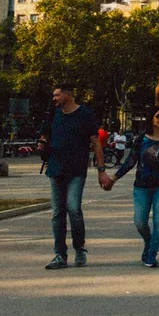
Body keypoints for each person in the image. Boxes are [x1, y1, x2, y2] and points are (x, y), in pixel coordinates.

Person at [36, 85, 107, 269]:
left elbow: (96, 143)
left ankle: (79, 247)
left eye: (57, 95)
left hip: (76, 170)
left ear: (68, 95)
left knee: (73, 209)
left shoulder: (85, 114)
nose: (54, 99)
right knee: (57, 213)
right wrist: (42, 143)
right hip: (55, 169)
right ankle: (60, 254)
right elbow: (44, 134)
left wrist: (101, 170)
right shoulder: (53, 114)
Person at [106, 105, 159, 268]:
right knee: (140, 222)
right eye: (158, 116)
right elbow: (130, 161)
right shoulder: (141, 140)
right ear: (152, 119)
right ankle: (149, 243)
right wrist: (114, 178)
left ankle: (151, 255)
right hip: (141, 187)